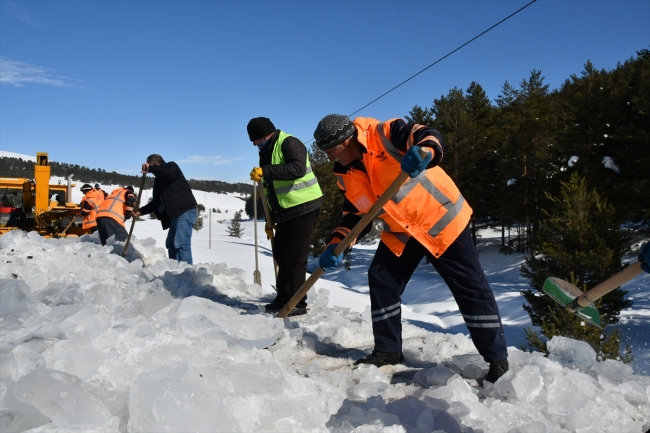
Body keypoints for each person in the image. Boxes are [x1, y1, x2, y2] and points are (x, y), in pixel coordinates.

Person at [313, 114, 509, 384]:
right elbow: (355, 215)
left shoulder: (385, 133)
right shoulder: (344, 174)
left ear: (347, 141)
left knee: (470, 286)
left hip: (440, 219)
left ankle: (497, 359)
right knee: (382, 278)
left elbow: (428, 134)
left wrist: (425, 151)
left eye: (331, 151)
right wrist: (336, 244)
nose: (330, 158)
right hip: (403, 231)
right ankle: (388, 351)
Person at [247, 117, 323, 316]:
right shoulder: (266, 150)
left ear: (264, 135)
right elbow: (271, 189)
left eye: (255, 140)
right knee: (281, 253)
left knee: (294, 258)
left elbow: (297, 169)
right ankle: (283, 296)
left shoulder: (290, 143)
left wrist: (266, 171)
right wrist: (270, 219)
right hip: (286, 211)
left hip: (304, 205)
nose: (255, 144)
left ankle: (298, 302)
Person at [136, 154, 197, 265]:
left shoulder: (171, 167)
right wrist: (140, 211)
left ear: (155, 163)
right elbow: (156, 202)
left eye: (150, 166)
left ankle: (188, 273)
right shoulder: (159, 180)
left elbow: (167, 172)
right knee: (171, 244)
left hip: (185, 211)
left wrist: (150, 168)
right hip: (175, 215)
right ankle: (175, 270)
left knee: (181, 243)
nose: (150, 170)